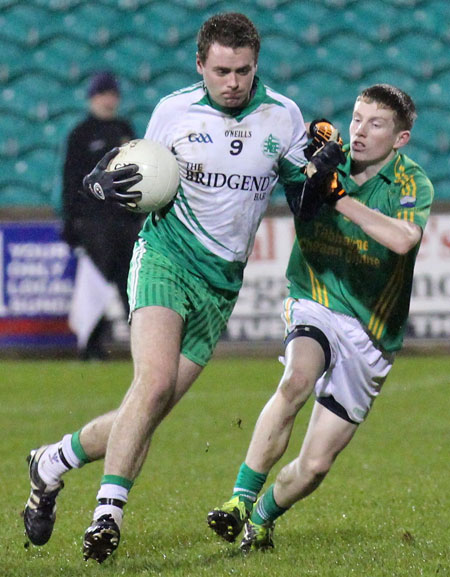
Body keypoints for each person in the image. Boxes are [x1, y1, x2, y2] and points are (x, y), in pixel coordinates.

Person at [22, 13, 345, 563]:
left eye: (243, 70)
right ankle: (108, 515)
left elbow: (304, 201)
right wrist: (100, 182)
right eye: (221, 70)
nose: (233, 82)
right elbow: (137, 172)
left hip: (220, 284)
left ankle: (51, 462)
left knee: (150, 408)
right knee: (150, 383)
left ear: (255, 66)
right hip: (166, 256)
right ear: (201, 65)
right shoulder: (173, 111)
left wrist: (323, 179)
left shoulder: (282, 116)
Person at [207, 84, 434, 552]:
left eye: (377, 124)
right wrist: (311, 172)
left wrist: (340, 198)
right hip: (314, 297)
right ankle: (239, 500)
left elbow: (403, 240)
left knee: (314, 467)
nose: (361, 131)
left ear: (400, 139)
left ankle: (263, 517)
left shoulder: (413, 183)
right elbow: (299, 196)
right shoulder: (326, 159)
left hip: (371, 333)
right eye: (357, 118)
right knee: (297, 379)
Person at [61, 70, 143, 360]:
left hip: (125, 220)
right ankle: (92, 346)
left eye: (113, 95)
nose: (109, 100)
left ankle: (143, 343)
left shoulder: (124, 129)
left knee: (130, 284)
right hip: (96, 223)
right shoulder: (80, 134)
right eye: (103, 94)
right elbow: (71, 182)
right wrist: (71, 223)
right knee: (94, 283)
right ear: (92, 98)